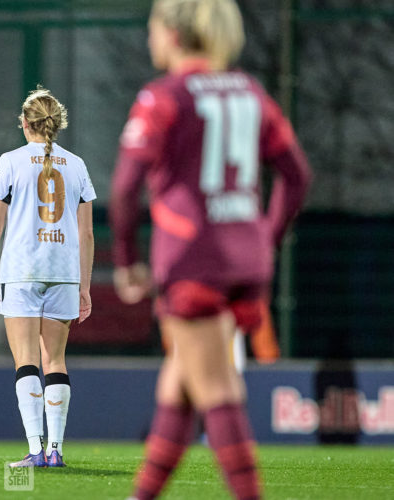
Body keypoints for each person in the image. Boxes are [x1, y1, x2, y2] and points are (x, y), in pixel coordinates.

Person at [109, 1, 312, 498]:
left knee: (217, 388)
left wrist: (126, 261)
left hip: (192, 261)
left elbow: (123, 189)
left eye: (154, 29)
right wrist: (267, 236)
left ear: (175, 35)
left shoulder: (164, 96)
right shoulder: (251, 92)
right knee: (178, 386)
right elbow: (297, 176)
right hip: (247, 261)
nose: (150, 38)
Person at [0, 87, 96, 468]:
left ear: (25, 124)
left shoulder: (11, 161)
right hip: (63, 274)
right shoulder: (76, 164)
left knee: (26, 360)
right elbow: (87, 234)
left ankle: (35, 450)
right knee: (55, 359)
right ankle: (56, 450)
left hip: (23, 271)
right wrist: (85, 287)